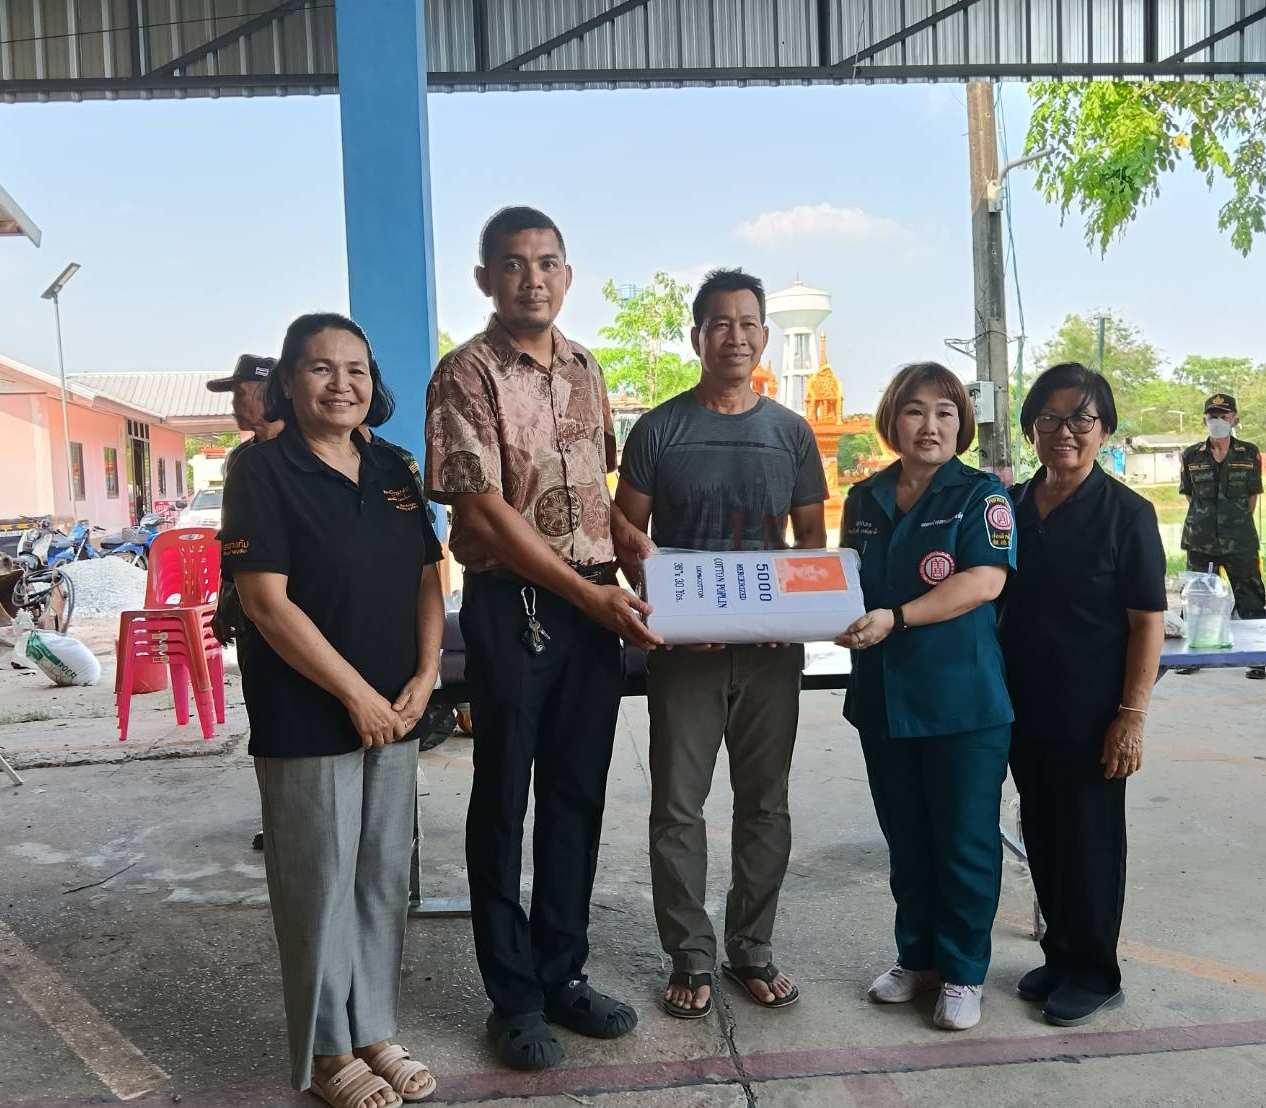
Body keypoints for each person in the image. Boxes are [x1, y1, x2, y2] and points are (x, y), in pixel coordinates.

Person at [423, 206, 660, 1072]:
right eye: (514, 264)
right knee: (503, 799)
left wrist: (650, 573)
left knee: (576, 792)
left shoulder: (587, 368)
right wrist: (585, 593)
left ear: (567, 274)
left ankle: (563, 973)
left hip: (592, 606)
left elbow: (597, 498)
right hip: (514, 604)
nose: (533, 278)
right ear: (485, 278)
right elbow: (484, 511)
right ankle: (514, 998)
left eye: (548, 262)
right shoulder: (464, 373)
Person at [222, 313, 444, 1107]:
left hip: (396, 707)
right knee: (318, 885)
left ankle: (373, 1028)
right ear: (288, 380)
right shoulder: (261, 470)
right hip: (308, 712)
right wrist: (356, 696)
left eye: (356, 368)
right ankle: (326, 1051)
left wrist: (425, 676)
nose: (341, 383)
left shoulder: (392, 466)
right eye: (320, 368)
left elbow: (428, 575)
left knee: (380, 877)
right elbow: (265, 603)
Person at [614, 268, 828, 1020]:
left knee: (765, 804)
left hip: (771, 653)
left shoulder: (790, 433)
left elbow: (810, 544)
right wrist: (670, 609)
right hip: (685, 654)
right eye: (719, 323)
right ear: (696, 335)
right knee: (678, 807)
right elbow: (625, 532)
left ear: (764, 336)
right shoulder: (659, 429)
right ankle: (690, 955)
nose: (734, 336)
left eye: (746, 323)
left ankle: (752, 948)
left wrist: (797, 614)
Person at [835, 362, 1015, 1032]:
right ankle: (917, 958)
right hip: (883, 699)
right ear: (893, 420)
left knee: (964, 844)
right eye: (915, 411)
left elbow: (983, 582)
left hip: (961, 703)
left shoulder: (980, 496)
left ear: (961, 424)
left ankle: (963, 972)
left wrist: (896, 617)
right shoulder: (865, 498)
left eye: (945, 412)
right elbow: (842, 580)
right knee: (906, 841)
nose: (930, 425)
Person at [998, 362, 1166, 1027]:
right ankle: (1061, 953)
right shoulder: (1010, 507)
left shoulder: (1127, 514)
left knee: (1090, 841)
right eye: (1049, 418)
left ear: (1104, 430)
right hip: (1020, 704)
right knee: (1041, 831)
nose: (1064, 432)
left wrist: (1131, 715)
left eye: (1081, 419)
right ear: (1031, 429)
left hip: (1093, 709)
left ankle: (1096, 972)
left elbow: (1146, 621)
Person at [207, 353, 283, 850]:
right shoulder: (239, 459)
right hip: (253, 612)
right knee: (265, 717)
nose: (235, 403)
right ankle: (277, 818)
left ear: (271, 391)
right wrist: (224, 601)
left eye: (241, 392)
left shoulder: (304, 451)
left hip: (302, 611)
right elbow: (232, 541)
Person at [1178, 392, 1266, 678]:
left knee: (1250, 598)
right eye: (1212, 416)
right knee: (1197, 599)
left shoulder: (1249, 453)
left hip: (1239, 540)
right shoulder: (1191, 455)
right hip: (1201, 540)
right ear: (1204, 419)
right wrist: (1209, 519)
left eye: (1223, 416)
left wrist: (1232, 520)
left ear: (1234, 419)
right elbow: (1190, 495)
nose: (1217, 421)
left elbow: (1252, 496)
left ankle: (1256, 658)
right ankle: (1191, 657)